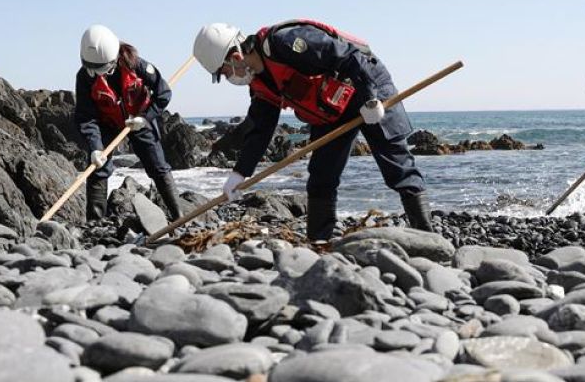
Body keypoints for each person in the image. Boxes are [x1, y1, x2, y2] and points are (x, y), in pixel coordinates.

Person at [191, 20, 432, 242]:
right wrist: (239, 174)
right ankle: (319, 243)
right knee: (321, 178)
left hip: (365, 83)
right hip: (332, 107)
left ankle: (428, 238)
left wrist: (371, 100)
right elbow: (260, 129)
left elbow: (351, 57)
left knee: (397, 166)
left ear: (235, 57)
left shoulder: (285, 43)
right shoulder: (261, 84)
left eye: (225, 72)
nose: (228, 77)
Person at [74, 24, 181, 222]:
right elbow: (86, 116)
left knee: (158, 166)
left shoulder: (137, 65)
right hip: (107, 123)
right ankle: (94, 223)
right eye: (93, 70)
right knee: (98, 168)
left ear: (113, 59)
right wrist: (95, 147)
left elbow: (163, 93)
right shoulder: (84, 78)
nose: (98, 75)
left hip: (138, 119)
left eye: (102, 69)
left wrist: (145, 117)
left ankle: (180, 216)